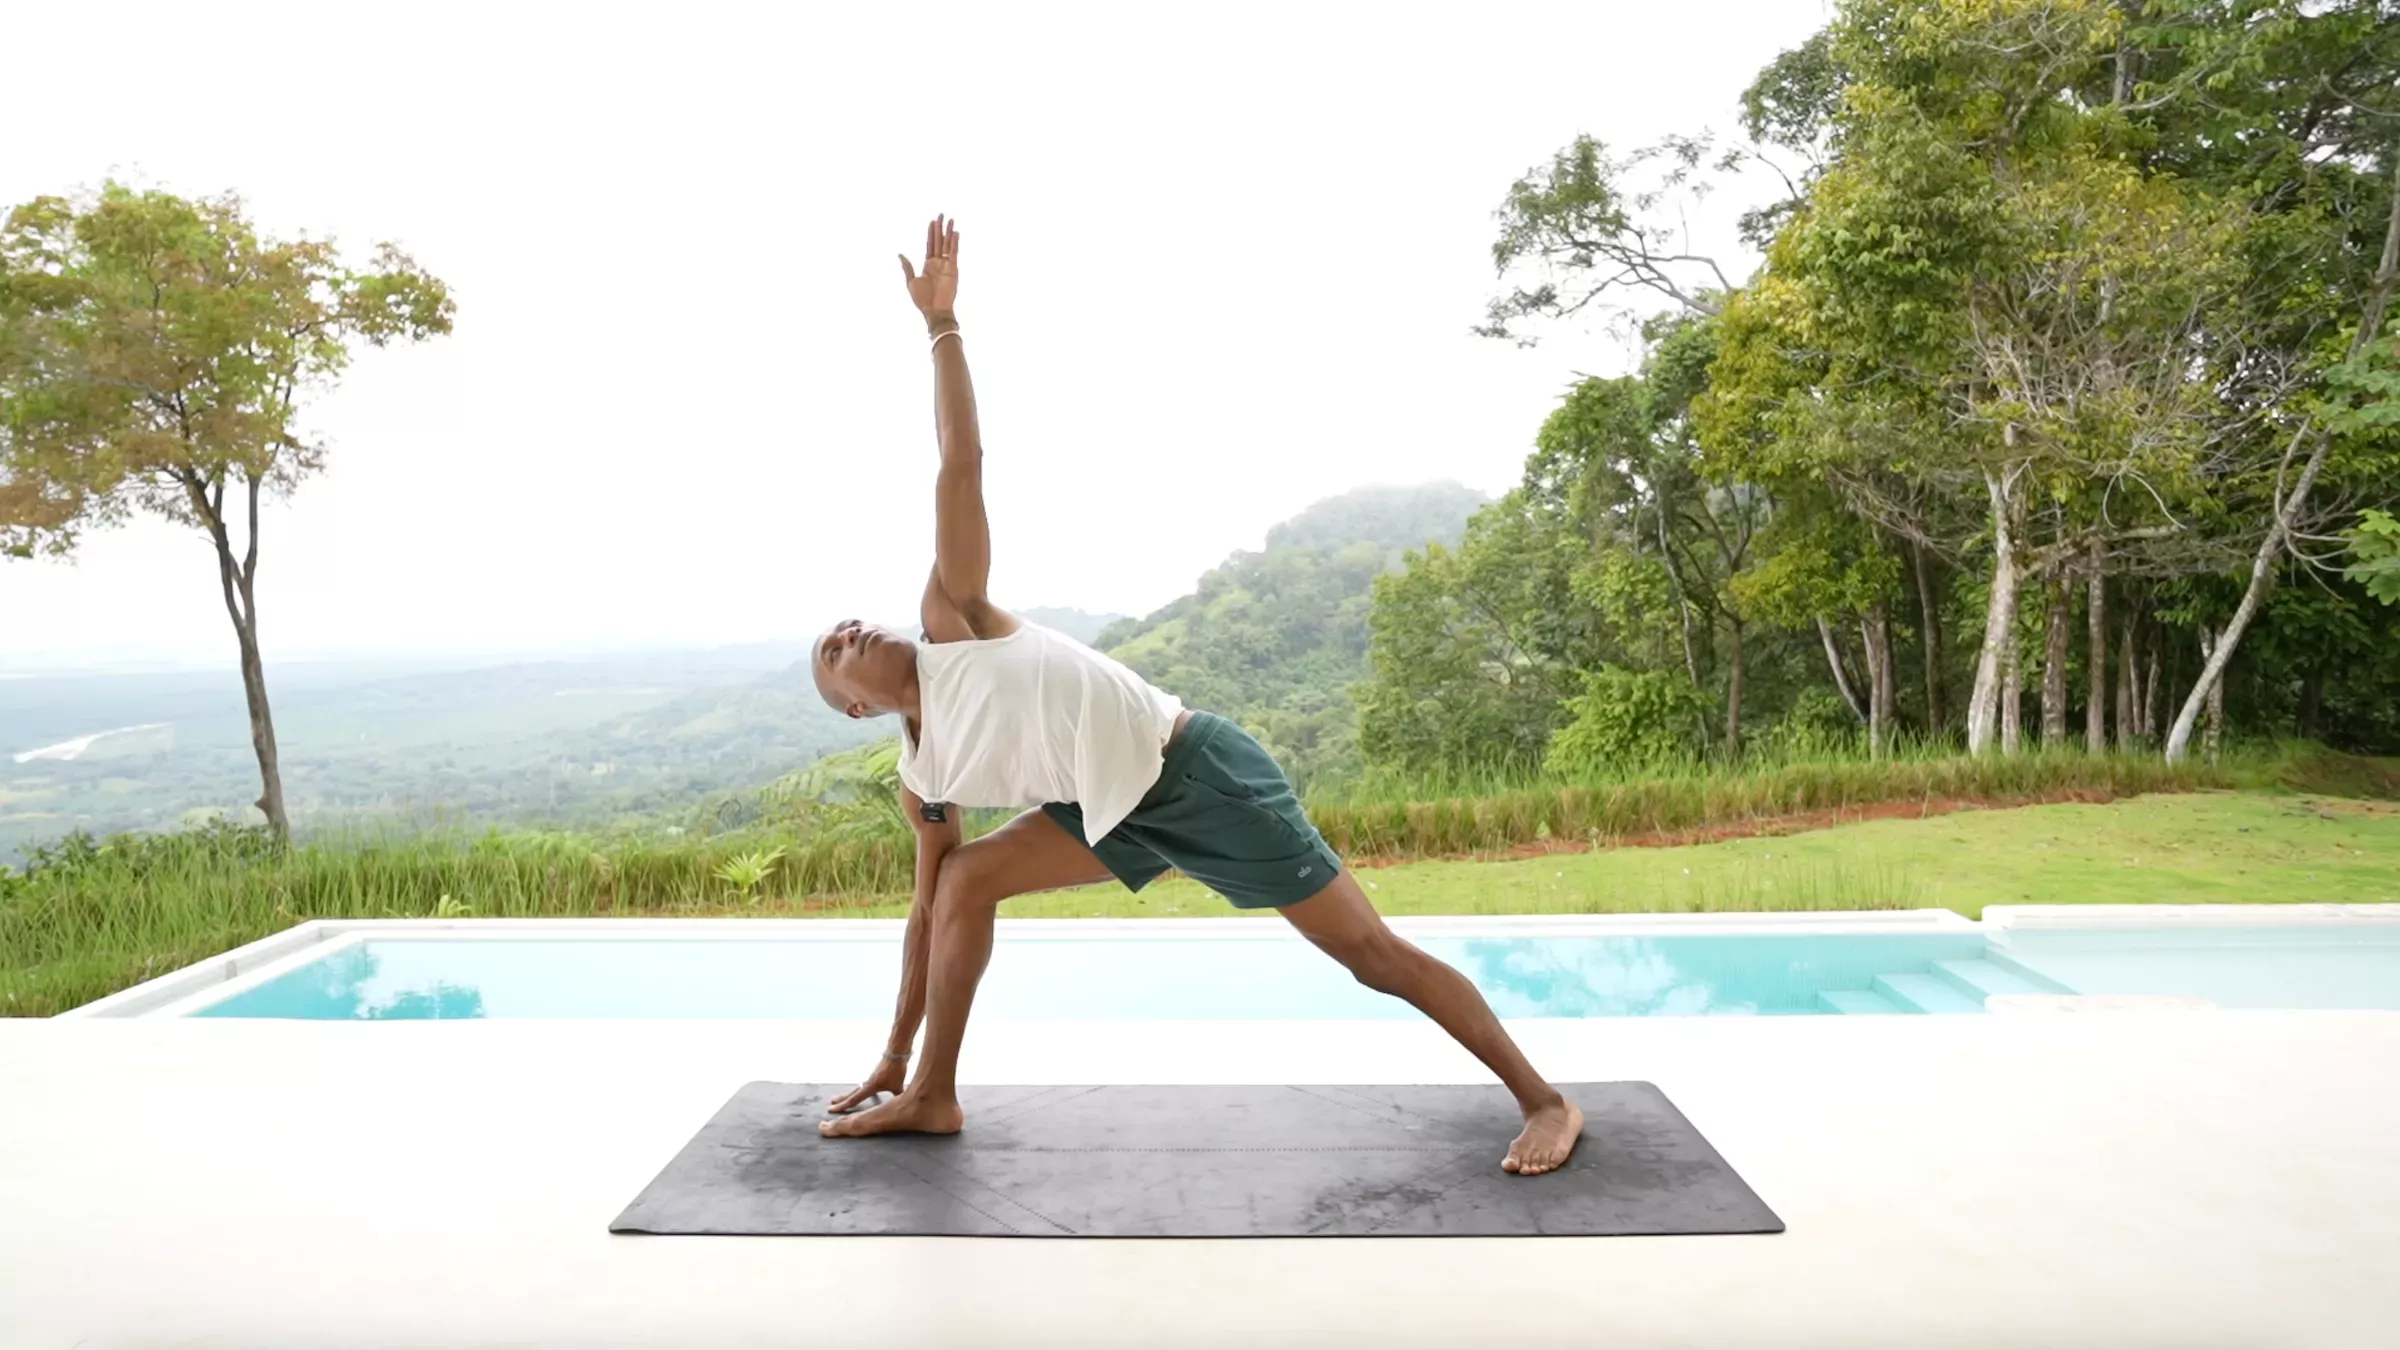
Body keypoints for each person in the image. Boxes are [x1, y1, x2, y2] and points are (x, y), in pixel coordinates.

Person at [809, 215, 1583, 1175]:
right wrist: (888, 1051)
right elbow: (926, 918)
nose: (852, 632)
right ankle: (929, 1091)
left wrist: (942, 327)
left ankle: (1545, 1100)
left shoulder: (951, 618)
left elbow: (959, 464)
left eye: (851, 622)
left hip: (1194, 773)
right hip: (1103, 811)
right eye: (834, 651)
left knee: (1370, 956)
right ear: (853, 708)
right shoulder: (923, 779)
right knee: (961, 882)